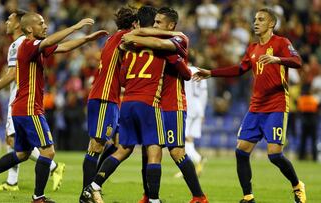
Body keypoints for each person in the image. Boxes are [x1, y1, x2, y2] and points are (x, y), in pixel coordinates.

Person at [0, 12, 108, 203]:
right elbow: (51, 40)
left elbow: (62, 47)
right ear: (29, 29)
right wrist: (76, 27)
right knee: (48, 152)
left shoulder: (36, 47)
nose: (45, 26)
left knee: (22, 153)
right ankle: (38, 198)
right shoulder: (28, 45)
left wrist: (86, 39)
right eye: (41, 23)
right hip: (29, 108)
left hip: (21, 107)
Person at [193, 8, 306, 203]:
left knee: (275, 155)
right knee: (241, 151)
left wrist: (277, 59)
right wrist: (212, 73)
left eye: (261, 19)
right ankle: (248, 197)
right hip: (256, 107)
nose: (256, 22)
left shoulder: (281, 43)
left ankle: (297, 185)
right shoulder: (252, 48)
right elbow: (238, 69)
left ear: (271, 24)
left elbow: (297, 61)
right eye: (255, 19)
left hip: (276, 105)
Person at [122, 7, 208, 203]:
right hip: (154, 103)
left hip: (173, 103)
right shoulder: (156, 46)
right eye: (154, 22)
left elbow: (161, 46)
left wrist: (133, 38)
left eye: (159, 23)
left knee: (177, 151)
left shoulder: (178, 39)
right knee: (150, 149)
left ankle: (199, 197)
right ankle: (149, 195)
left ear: (170, 25)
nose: (155, 25)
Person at [0, 9, 65, 193]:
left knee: (20, 147)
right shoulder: (24, 43)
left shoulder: (20, 44)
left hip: (23, 101)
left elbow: (12, 75)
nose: (6, 23)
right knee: (19, 147)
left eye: (9, 20)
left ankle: (48, 170)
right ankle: (15, 183)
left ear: (19, 24)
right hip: (25, 102)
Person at [78, 6, 138, 203]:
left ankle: (93, 186)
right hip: (104, 97)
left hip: (110, 97)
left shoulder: (113, 37)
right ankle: (87, 194)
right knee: (96, 145)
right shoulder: (126, 38)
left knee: (119, 145)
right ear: (134, 24)